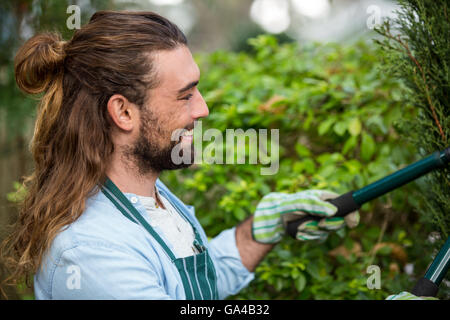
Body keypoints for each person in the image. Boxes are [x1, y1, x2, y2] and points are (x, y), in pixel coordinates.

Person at [3, 10, 368, 300]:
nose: (203, 109)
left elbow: (193, 289)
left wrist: (259, 231)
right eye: (185, 95)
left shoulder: (151, 200)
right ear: (124, 113)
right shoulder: (91, 252)